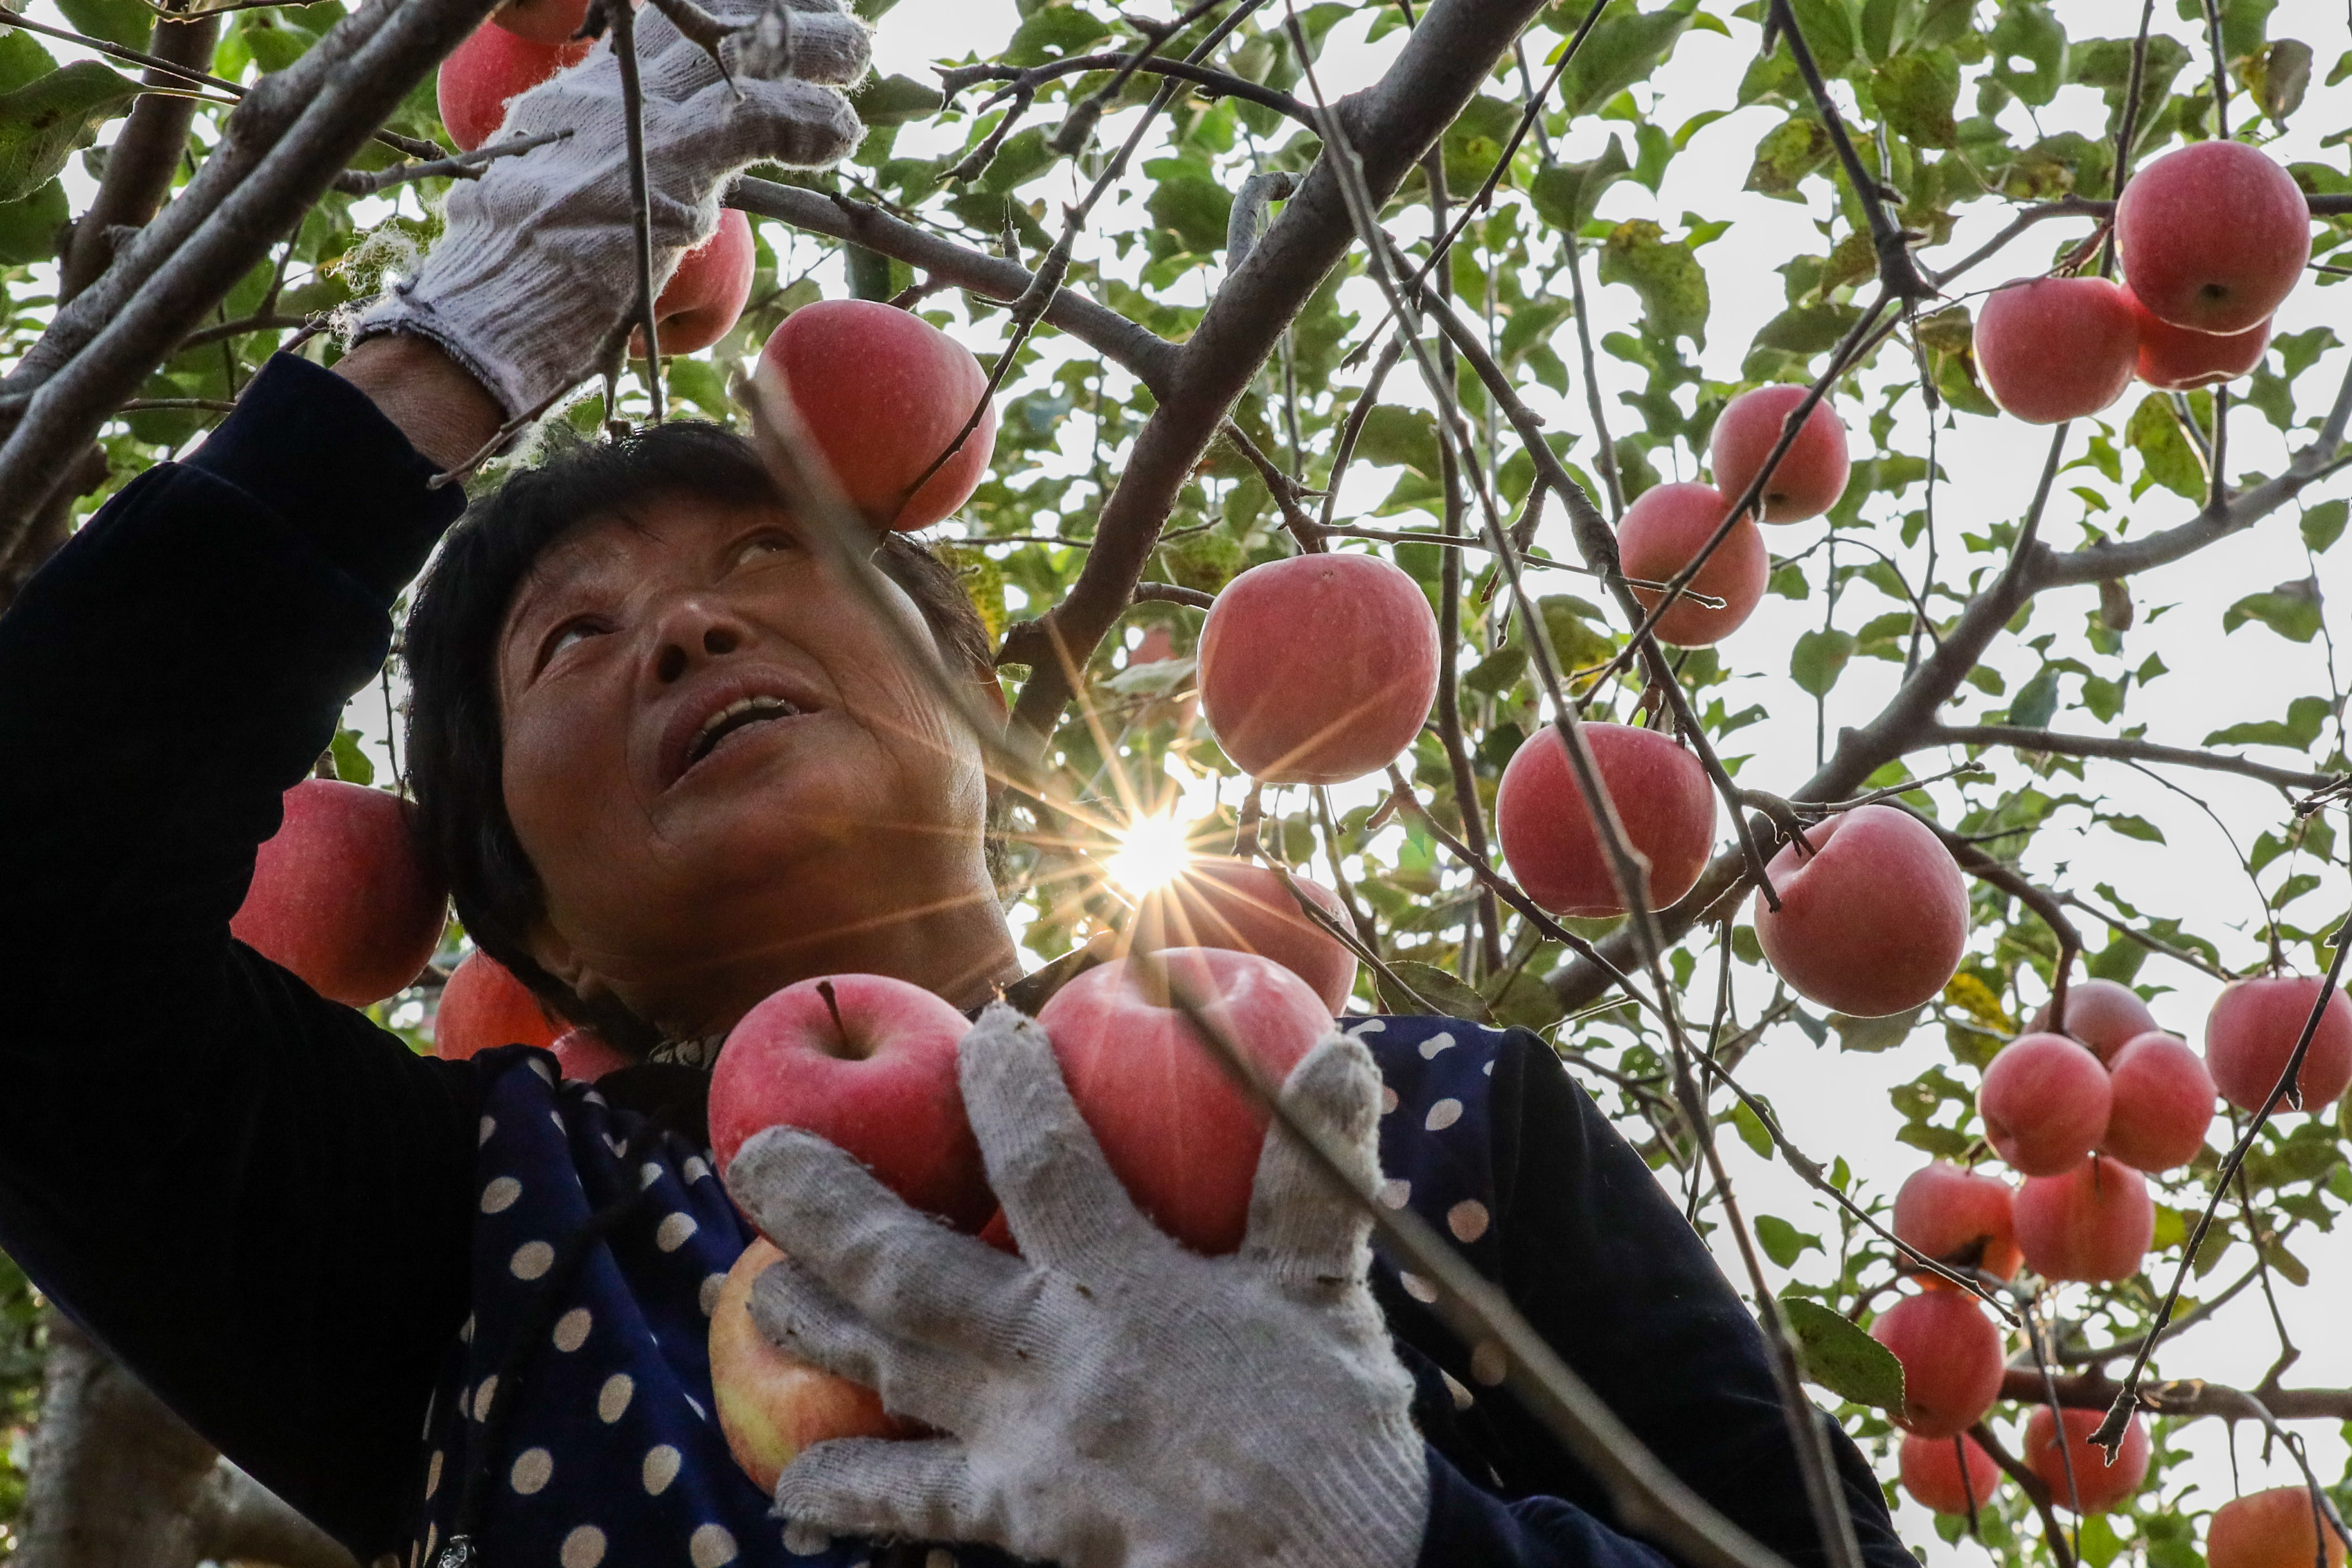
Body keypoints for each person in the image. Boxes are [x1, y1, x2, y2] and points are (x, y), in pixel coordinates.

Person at [0, 3, 1918, 1566]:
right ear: (535, 924)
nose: (682, 629)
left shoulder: (1403, 1127)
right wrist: (447, 353)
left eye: (766, 563)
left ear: (966, 710)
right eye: (570, 644)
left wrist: (1377, 1535)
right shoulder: (477, 1237)